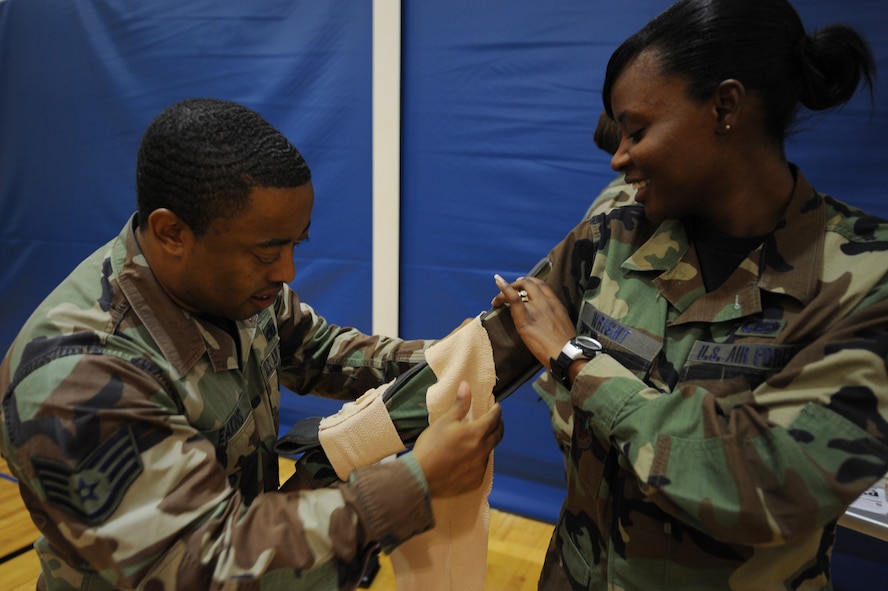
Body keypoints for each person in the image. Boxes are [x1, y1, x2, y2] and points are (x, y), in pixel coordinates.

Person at [295, 0, 886, 588]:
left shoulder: (863, 279)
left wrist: (577, 361)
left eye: (637, 130)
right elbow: (485, 353)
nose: (618, 156)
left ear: (724, 107)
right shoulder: (618, 232)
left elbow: (764, 483)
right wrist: (348, 445)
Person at [0, 98, 504, 591]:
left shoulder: (235, 288)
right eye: (268, 251)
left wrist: (469, 353)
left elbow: (319, 350)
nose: (286, 273)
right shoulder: (76, 381)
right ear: (172, 232)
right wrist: (414, 483)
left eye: (295, 244)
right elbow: (199, 562)